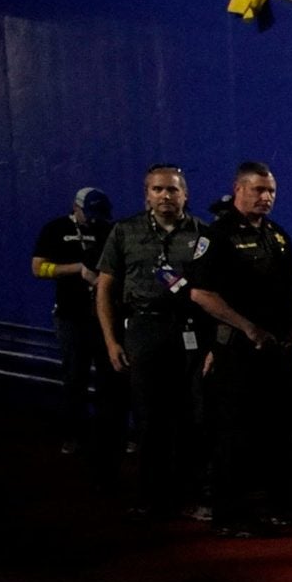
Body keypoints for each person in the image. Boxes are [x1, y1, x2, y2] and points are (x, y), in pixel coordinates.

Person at [185, 162, 292, 538]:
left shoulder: (278, 236)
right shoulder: (217, 235)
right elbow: (200, 293)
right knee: (235, 434)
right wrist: (247, 327)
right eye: (257, 190)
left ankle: (283, 507)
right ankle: (231, 514)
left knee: (281, 432)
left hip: (276, 350)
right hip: (237, 350)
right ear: (238, 190)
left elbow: (287, 292)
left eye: (270, 190)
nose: (265, 197)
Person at [95, 166, 209, 521]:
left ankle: (194, 493)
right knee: (149, 417)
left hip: (190, 330)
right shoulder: (125, 232)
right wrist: (112, 341)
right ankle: (151, 496)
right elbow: (105, 288)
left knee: (194, 415)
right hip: (144, 329)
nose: (165, 196)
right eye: (158, 190)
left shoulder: (204, 235)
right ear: (147, 194)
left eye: (172, 190)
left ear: (185, 194)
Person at [31, 185, 120, 467]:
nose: (93, 221)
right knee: (75, 376)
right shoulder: (55, 229)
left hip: (104, 316)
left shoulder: (109, 228)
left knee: (111, 377)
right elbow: (38, 269)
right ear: (76, 208)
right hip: (71, 316)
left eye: (98, 216)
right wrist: (77, 270)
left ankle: (111, 435)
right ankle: (74, 435)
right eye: (88, 215)